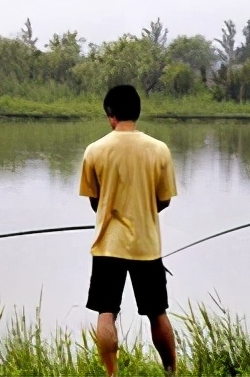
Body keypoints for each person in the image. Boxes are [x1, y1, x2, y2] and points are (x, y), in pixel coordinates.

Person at [78, 85, 178, 377]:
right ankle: (171, 373)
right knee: (157, 314)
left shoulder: (94, 151)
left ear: (111, 117)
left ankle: (112, 375)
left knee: (106, 313)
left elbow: (96, 202)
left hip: (108, 245)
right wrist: (143, 214)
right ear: (137, 112)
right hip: (147, 246)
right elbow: (164, 200)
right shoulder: (159, 150)